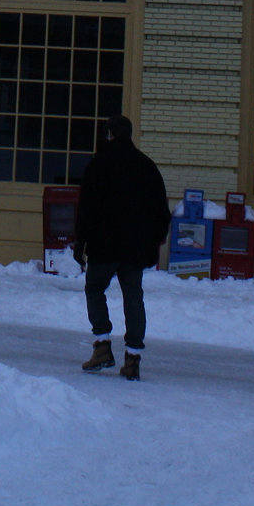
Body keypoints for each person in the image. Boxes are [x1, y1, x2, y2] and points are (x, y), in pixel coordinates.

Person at [72, 115, 172, 382]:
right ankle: (133, 359)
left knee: (95, 290)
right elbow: (162, 212)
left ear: (110, 135)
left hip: (104, 245)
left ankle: (102, 346)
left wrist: (80, 242)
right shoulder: (147, 167)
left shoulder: (98, 165)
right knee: (133, 297)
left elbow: (86, 210)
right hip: (135, 249)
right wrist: (154, 243)